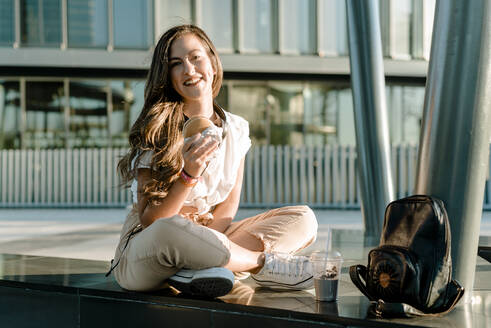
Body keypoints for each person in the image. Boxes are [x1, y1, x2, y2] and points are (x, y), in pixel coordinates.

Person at [107, 25, 318, 298]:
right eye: (176, 64)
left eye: (196, 57)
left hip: (210, 237)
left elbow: (228, 208)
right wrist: (188, 175)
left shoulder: (238, 129)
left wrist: (202, 244)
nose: (189, 69)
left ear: (213, 63)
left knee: (303, 219)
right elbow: (151, 221)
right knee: (170, 228)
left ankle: (201, 268)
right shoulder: (156, 129)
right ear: (168, 76)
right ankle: (260, 264)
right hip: (149, 249)